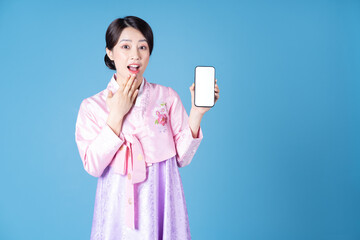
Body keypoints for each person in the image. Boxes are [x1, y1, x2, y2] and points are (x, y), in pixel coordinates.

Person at [75, 16, 220, 239]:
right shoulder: (92, 106)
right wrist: (116, 113)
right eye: (125, 46)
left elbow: (183, 157)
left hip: (161, 204)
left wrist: (197, 112)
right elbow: (93, 166)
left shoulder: (166, 97)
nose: (135, 55)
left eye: (143, 47)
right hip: (117, 214)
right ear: (110, 53)